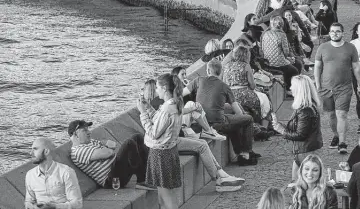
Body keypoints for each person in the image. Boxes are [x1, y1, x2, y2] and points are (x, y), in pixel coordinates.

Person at [183, 59, 258, 166]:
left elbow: (181, 93)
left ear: (208, 70)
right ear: (221, 71)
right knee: (247, 119)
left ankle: (238, 152)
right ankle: (246, 154)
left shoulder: (198, 80)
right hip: (217, 123)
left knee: (233, 120)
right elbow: (238, 111)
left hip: (201, 121)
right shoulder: (224, 86)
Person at [315, 22, 360, 154]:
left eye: (337, 31)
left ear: (342, 33)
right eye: (332, 31)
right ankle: (336, 135)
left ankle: (342, 142)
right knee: (331, 115)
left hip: (344, 87)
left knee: (341, 114)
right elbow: (318, 67)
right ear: (329, 33)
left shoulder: (350, 48)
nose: (335, 34)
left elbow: (356, 68)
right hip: (326, 88)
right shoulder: (322, 48)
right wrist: (318, 85)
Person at [69, 120, 155, 190]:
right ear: (75, 135)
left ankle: (152, 173)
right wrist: (105, 148)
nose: (89, 132)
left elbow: (113, 145)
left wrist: (105, 149)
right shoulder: (78, 151)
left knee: (137, 137)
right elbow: (109, 153)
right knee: (129, 144)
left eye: (88, 129)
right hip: (112, 179)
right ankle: (141, 180)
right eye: (84, 130)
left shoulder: (90, 142)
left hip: (116, 169)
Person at [138, 73, 183, 207]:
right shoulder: (173, 104)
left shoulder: (167, 108)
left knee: (166, 197)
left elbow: (154, 133)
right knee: (163, 197)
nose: (156, 90)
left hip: (161, 155)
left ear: (164, 88)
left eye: (157, 87)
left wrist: (142, 113)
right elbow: (160, 122)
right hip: (169, 151)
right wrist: (148, 108)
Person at [271, 75, 323, 182]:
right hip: (302, 152)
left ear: (299, 89)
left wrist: (281, 130)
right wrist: (279, 126)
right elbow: (298, 129)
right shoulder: (304, 108)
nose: (290, 88)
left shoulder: (305, 111)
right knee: (296, 184)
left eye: (292, 86)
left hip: (305, 152)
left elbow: (300, 135)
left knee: (302, 185)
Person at [25, 138, 82, 209]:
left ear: (46, 151)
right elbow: (28, 201)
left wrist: (55, 207)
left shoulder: (66, 172)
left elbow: (77, 204)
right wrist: (33, 207)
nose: (31, 153)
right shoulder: (30, 175)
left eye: (35, 149)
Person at [223, 46, 265, 126]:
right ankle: (259, 126)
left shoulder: (227, 66)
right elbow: (252, 86)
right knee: (257, 104)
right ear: (246, 55)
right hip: (244, 95)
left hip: (229, 96)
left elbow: (224, 83)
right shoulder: (246, 66)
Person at [261, 16, 301, 91]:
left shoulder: (265, 34)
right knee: (295, 69)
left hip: (267, 63)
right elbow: (286, 52)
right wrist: (290, 59)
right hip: (279, 63)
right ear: (282, 24)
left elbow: (262, 49)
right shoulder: (282, 35)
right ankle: (289, 89)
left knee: (291, 65)